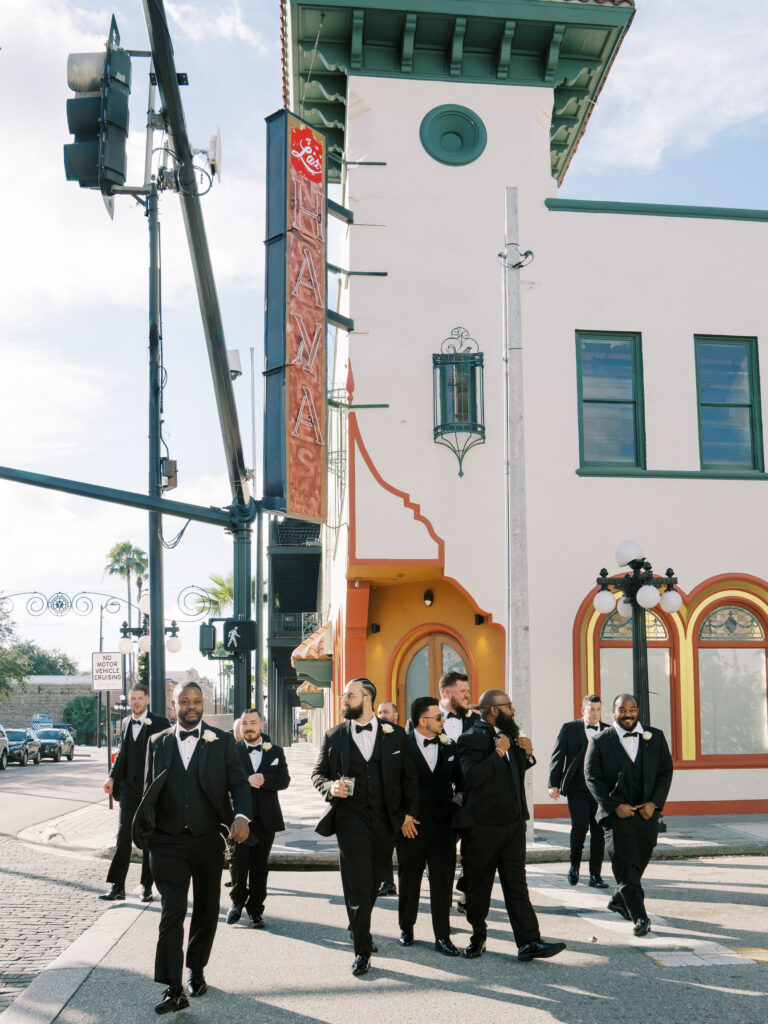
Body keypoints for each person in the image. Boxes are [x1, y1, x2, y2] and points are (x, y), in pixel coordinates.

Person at [132, 681, 251, 1014]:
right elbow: (147, 793)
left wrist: (241, 815)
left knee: (207, 908)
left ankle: (196, 969)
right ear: (173, 705)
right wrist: (147, 835)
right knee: (172, 911)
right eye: (184, 701)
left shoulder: (223, 740)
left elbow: (239, 784)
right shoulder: (157, 742)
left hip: (207, 839)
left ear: (204, 703)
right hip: (166, 841)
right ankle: (173, 987)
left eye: (197, 701)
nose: (191, 706)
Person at [312, 677, 418, 977]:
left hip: (387, 820)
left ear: (367, 698)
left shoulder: (396, 735)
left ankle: (357, 924)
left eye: (349, 695)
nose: (344, 699)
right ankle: (362, 948)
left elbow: (410, 777)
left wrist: (409, 812)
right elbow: (318, 774)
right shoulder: (334, 735)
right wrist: (331, 786)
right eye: (344, 695)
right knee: (358, 882)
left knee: (372, 882)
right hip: (350, 819)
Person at [454, 689, 566, 962]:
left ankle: (528, 942)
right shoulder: (469, 739)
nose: (513, 711)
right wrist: (498, 753)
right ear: (493, 710)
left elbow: (511, 774)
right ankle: (477, 936)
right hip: (483, 828)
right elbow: (473, 778)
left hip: (513, 825)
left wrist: (526, 755)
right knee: (479, 887)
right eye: (509, 707)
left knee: (517, 886)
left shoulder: (510, 735)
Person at [585, 693, 674, 937]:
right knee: (624, 867)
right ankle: (640, 917)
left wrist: (654, 803)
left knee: (637, 864)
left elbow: (666, 772)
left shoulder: (654, 737)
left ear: (638, 711)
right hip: (617, 817)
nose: (628, 713)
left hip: (646, 815)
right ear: (613, 712)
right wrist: (614, 806)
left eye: (632, 709)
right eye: (622, 709)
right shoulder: (600, 740)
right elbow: (592, 776)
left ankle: (618, 899)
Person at [397, 696, 463, 956]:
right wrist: (401, 816)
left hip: (444, 827)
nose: (443, 720)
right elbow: (391, 785)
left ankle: (443, 936)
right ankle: (406, 927)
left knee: (442, 883)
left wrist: (460, 798)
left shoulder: (449, 746)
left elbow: (462, 779)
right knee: (409, 879)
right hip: (410, 826)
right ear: (423, 721)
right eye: (438, 717)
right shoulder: (399, 745)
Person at [99, 685, 169, 903]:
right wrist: (111, 777)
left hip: (150, 791)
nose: (136, 702)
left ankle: (146, 886)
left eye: (140, 698)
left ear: (147, 700)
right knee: (123, 837)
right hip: (128, 789)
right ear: (129, 701)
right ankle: (117, 886)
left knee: (147, 837)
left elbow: (166, 756)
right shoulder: (126, 722)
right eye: (133, 699)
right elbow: (121, 753)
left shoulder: (160, 723)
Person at [226, 708, 290, 929]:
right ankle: (236, 903)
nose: (249, 727)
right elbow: (222, 782)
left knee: (260, 866)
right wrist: (246, 779)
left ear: (262, 726)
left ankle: (255, 910)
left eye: (253, 723)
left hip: (266, 818)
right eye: (245, 723)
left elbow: (284, 780)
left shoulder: (276, 751)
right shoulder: (230, 751)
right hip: (239, 818)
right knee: (238, 863)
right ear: (240, 726)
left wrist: (264, 779)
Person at [547, 694, 609, 888]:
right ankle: (574, 866)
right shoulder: (569, 729)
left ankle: (595, 876)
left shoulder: (609, 731)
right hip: (577, 788)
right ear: (583, 710)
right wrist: (553, 784)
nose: (595, 713)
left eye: (598, 709)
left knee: (599, 832)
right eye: (591, 709)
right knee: (580, 827)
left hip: (599, 791)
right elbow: (558, 756)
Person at [437, 671, 479, 912]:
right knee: (441, 858)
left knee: (473, 853)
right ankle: (440, 909)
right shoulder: (424, 718)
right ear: (447, 693)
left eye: (467, 691)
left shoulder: (475, 721)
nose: (467, 695)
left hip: (471, 799)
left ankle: (465, 895)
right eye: (462, 691)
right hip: (439, 803)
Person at [376, 700, 399, 897]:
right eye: (380, 712)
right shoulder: (375, 737)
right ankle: (388, 882)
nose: (382, 715)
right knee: (384, 845)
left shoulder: (403, 737)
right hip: (383, 802)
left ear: (395, 715)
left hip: (402, 801)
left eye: (386, 712)